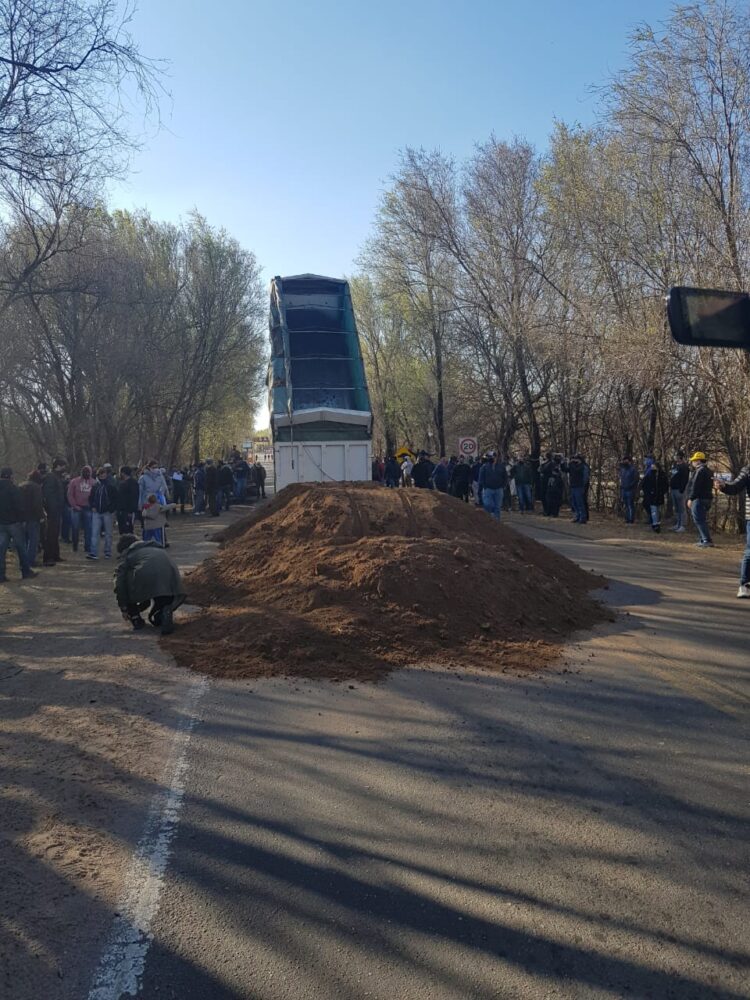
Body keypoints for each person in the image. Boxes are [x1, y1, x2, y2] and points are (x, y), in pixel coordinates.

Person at [114, 533, 186, 635]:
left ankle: (135, 618)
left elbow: (119, 584)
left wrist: (124, 607)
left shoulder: (128, 555)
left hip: (146, 580)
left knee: (126, 578)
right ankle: (163, 611)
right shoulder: (158, 549)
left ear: (124, 549)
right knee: (161, 594)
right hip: (171, 583)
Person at [715, 463, 750, 598]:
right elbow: (735, 486)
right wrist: (724, 486)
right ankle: (744, 584)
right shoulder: (747, 470)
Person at [0, 468, 37, 581]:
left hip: (1, 523)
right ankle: (25, 571)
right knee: (21, 547)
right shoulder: (14, 489)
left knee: (1, 550)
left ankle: (1, 575)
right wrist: (23, 520)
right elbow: (20, 507)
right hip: (14, 523)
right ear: (10, 476)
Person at [87, 466, 118, 560]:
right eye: (100, 474)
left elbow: (115, 499)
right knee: (94, 532)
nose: (102, 475)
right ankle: (93, 552)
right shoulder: (95, 486)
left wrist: (111, 509)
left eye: (104, 473)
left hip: (107, 513)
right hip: (96, 512)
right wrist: (92, 506)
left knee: (108, 533)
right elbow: (91, 498)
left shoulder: (111, 487)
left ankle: (107, 552)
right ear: (98, 475)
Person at [41, 458, 67, 566]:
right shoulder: (51, 477)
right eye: (63, 466)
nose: (64, 468)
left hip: (57, 509)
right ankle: (48, 557)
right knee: (51, 534)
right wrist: (52, 509)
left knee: (55, 533)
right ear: (58, 466)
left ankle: (55, 555)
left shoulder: (56, 477)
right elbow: (49, 495)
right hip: (53, 511)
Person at [686, 451, 714, 547]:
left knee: (699, 519)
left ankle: (706, 540)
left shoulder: (699, 471)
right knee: (702, 519)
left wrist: (691, 498)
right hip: (707, 498)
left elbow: (695, 486)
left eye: (694, 460)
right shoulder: (709, 471)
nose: (692, 462)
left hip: (699, 498)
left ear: (698, 461)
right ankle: (704, 539)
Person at [19, 470, 44, 569]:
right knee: (33, 540)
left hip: (21, 518)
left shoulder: (20, 486)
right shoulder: (36, 488)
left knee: (23, 541)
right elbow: (37, 504)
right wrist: (41, 516)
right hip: (33, 517)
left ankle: (23, 561)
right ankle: (30, 561)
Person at [67, 465, 94, 553]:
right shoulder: (74, 481)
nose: (86, 473)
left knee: (88, 529)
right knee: (75, 528)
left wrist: (93, 506)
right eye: (84, 471)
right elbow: (70, 495)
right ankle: (75, 546)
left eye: (88, 472)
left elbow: (96, 496)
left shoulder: (94, 482)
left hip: (88, 508)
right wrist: (74, 505)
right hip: (76, 508)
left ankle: (88, 547)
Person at [641, 456, 668, 533]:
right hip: (651, 495)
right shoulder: (649, 474)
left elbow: (666, 484)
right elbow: (644, 483)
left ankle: (657, 523)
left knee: (658, 510)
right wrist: (647, 492)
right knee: (654, 510)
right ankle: (655, 524)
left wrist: (663, 492)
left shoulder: (662, 475)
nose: (653, 467)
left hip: (659, 495)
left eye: (654, 466)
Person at [478, 453, 508, 520]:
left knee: (498, 506)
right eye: (491, 457)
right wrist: (484, 486)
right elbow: (481, 478)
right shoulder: (484, 467)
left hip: (499, 489)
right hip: (488, 489)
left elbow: (505, 477)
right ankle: (488, 518)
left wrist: (503, 485)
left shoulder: (501, 466)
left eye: (494, 456)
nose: (493, 458)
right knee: (487, 504)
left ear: (496, 457)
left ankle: (497, 521)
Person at [669, 451, 690, 532]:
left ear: (680, 457)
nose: (675, 457)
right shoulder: (675, 466)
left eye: (676, 456)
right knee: (676, 508)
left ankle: (682, 525)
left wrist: (682, 489)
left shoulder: (684, 467)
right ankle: (678, 523)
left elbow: (685, 479)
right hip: (673, 489)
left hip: (680, 490)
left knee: (681, 508)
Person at [565, 454, 588, 524]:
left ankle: (583, 517)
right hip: (573, 486)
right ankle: (577, 516)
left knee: (580, 502)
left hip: (579, 486)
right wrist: (563, 462)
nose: (574, 460)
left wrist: (571, 464)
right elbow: (566, 470)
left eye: (576, 459)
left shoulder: (582, 466)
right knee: (574, 503)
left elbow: (577, 471)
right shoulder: (573, 466)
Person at [117, 466, 140, 535]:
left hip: (128, 511)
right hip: (121, 510)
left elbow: (134, 497)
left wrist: (131, 511)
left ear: (123, 473)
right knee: (122, 530)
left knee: (128, 529)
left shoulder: (133, 483)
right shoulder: (122, 483)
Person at [619, 457, 639, 524]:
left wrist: (630, 486)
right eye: (624, 460)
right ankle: (627, 519)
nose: (624, 462)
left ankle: (631, 519)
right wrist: (621, 486)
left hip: (630, 490)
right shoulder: (623, 469)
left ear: (630, 461)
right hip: (624, 489)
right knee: (626, 505)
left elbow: (636, 480)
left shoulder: (633, 469)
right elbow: (621, 479)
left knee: (630, 505)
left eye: (626, 460)